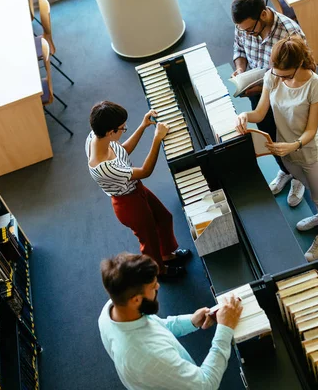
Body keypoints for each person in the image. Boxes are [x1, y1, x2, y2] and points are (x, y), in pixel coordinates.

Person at [235, 36, 318, 261]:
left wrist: (294, 144)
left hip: (311, 154)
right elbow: (260, 113)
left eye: (284, 73)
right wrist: (243, 115)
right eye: (275, 71)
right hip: (286, 152)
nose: (277, 77)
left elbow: (311, 130)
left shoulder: (315, 85)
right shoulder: (273, 76)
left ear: (298, 65)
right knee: (312, 191)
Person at [98, 253, 243, 390]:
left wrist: (192, 321)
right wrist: (225, 328)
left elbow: (156, 326)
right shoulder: (150, 357)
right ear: (136, 299)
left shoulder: (112, 309)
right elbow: (205, 384)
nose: (158, 286)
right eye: (153, 286)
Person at [86, 101, 191, 279]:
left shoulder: (97, 137)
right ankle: (159, 271)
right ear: (111, 132)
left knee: (164, 217)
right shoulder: (104, 166)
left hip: (135, 189)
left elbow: (123, 150)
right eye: (122, 128)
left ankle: (166, 255)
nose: (124, 129)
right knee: (148, 240)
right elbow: (145, 171)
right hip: (128, 203)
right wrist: (157, 139)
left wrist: (143, 126)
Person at [231, 0, 307, 207]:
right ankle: (285, 171)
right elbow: (238, 48)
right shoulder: (245, 25)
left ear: (263, 15)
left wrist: (261, 87)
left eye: (249, 29)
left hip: (286, 97)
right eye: (242, 30)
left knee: (290, 137)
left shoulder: (290, 35)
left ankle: (299, 178)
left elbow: (299, 75)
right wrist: (240, 69)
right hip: (258, 90)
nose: (247, 33)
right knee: (268, 134)